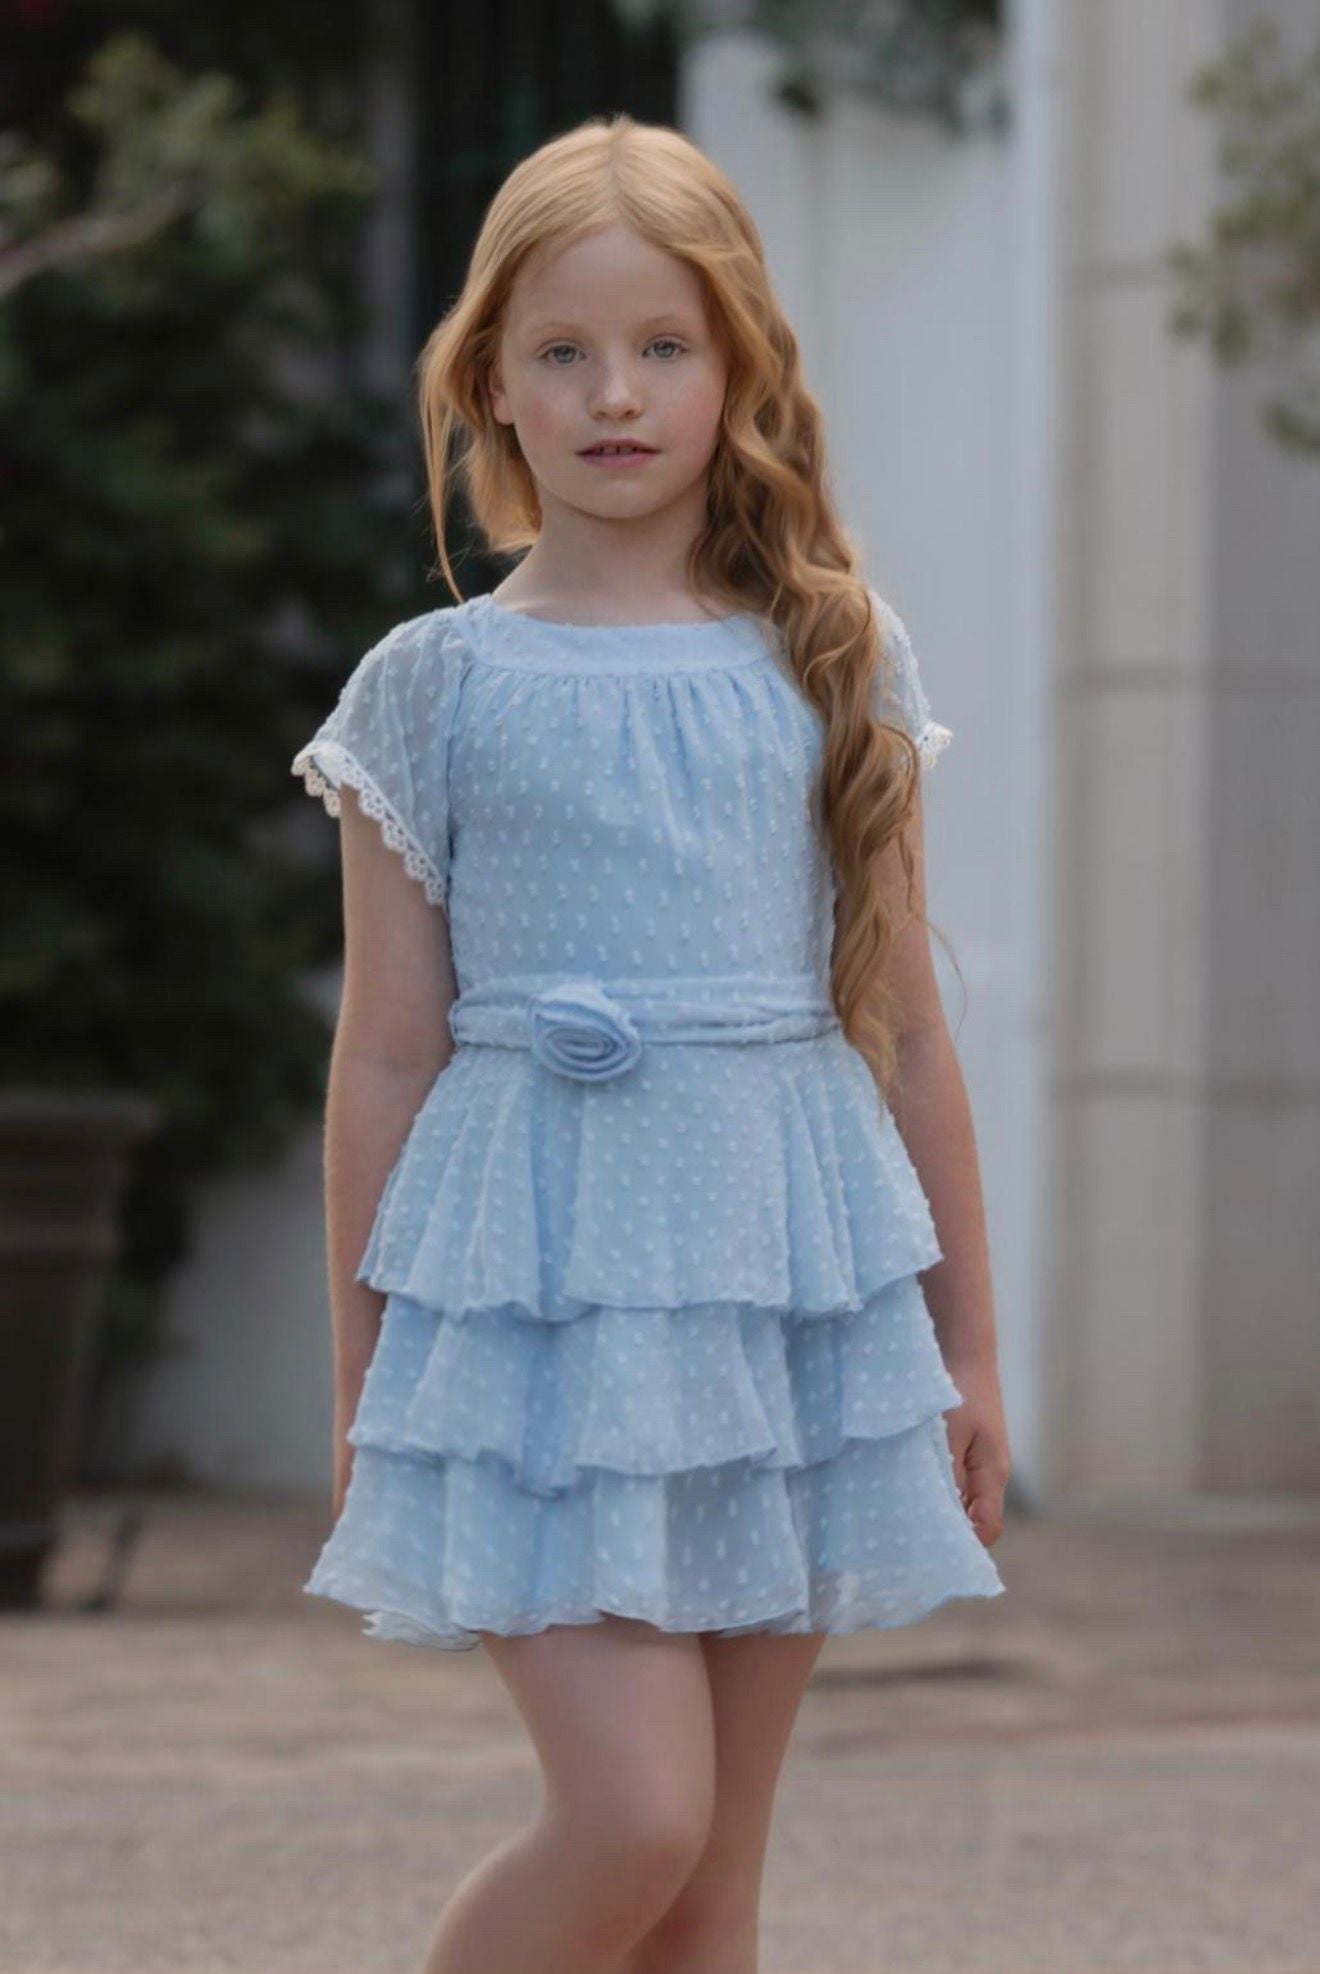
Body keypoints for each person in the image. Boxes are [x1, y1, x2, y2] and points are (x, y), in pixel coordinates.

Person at [291, 111, 1010, 1974]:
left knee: (708, 1898)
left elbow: (906, 1032)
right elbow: (386, 1056)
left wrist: (967, 1348)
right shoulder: (432, 686)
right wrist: (370, 1376)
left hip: (787, 1309)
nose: (615, 393)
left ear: (736, 366)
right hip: (534, 1328)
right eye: (563, 350)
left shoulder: (835, 659)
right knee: (633, 1817)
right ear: (490, 382)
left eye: (663, 345)